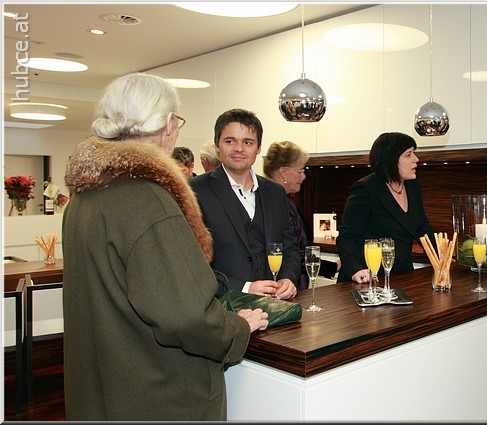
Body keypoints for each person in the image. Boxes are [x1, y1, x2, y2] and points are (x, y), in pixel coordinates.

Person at [61, 73, 267, 421]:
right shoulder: (148, 199)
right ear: (169, 124)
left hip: (103, 387)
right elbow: (186, 315)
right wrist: (237, 328)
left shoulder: (84, 196)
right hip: (158, 393)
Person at [190, 108, 300, 299]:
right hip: (222, 308)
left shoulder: (275, 192)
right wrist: (244, 287)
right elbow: (190, 262)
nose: (239, 149)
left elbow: (290, 246)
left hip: (275, 305)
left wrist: (288, 278)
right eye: (230, 141)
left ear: (258, 148)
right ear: (217, 146)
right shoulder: (194, 191)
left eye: (248, 142)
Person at [336, 131, 436, 284]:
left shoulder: (412, 185)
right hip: (368, 278)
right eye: (408, 155)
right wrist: (355, 269)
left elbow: (422, 226)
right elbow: (346, 236)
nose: (416, 159)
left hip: (403, 275)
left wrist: (441, 257)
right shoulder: (366, 188)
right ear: (391, 159)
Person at [263, 140, 339, 289]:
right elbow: (291, 252)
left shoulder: (285, 201)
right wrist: (332, 267)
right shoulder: (276, 205)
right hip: (284, 286)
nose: (304, 177)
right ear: (283, 172)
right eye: (300, 171)